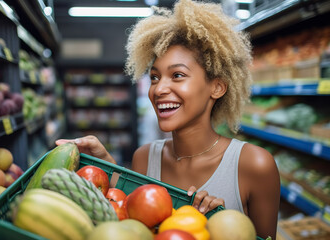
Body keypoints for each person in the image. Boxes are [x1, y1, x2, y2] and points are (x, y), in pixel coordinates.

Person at [56, 0, 280, 239]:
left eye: (177, 75)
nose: (159, 88)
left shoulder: (254, 165)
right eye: (154, 77)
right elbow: (137, 226)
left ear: (217, 87)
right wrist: (106, 166)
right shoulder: (144, 157)